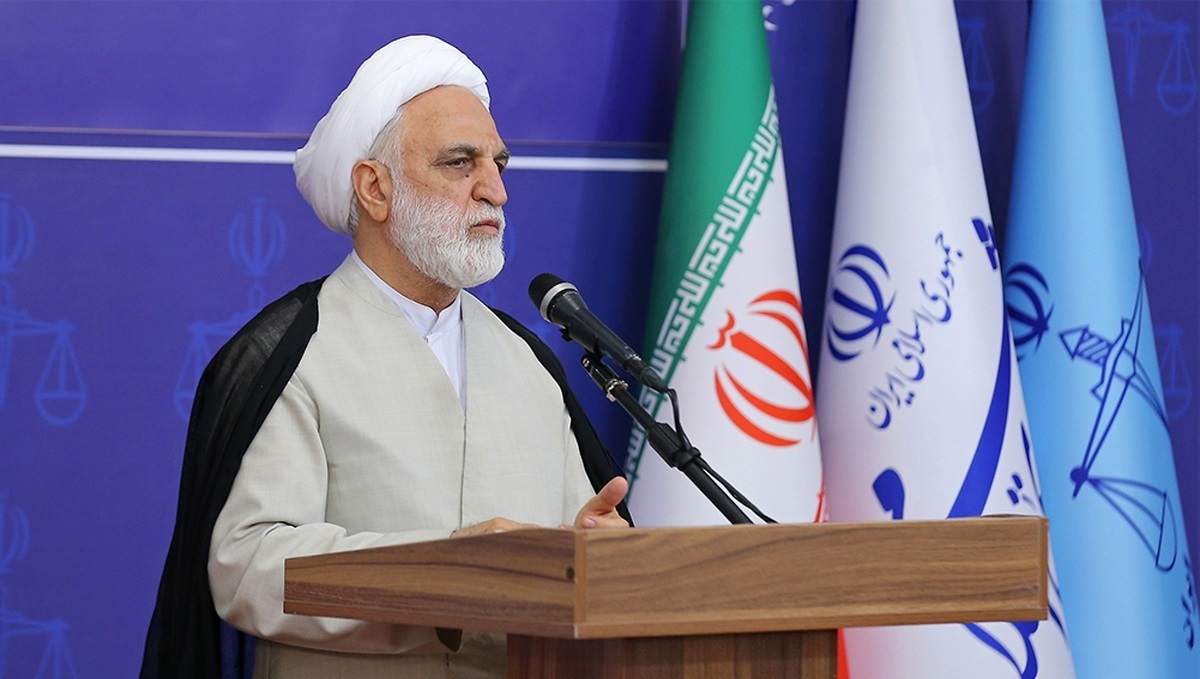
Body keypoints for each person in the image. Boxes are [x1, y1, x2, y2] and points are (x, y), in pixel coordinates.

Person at [141, 35, 631, 679]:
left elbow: (580, 541)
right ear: (375, 188)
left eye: (499, 164)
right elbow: (249, 566)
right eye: (460, 163)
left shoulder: (527, 361)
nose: (495, 191)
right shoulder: (294, 353)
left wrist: (602, 556)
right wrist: (448, 569)